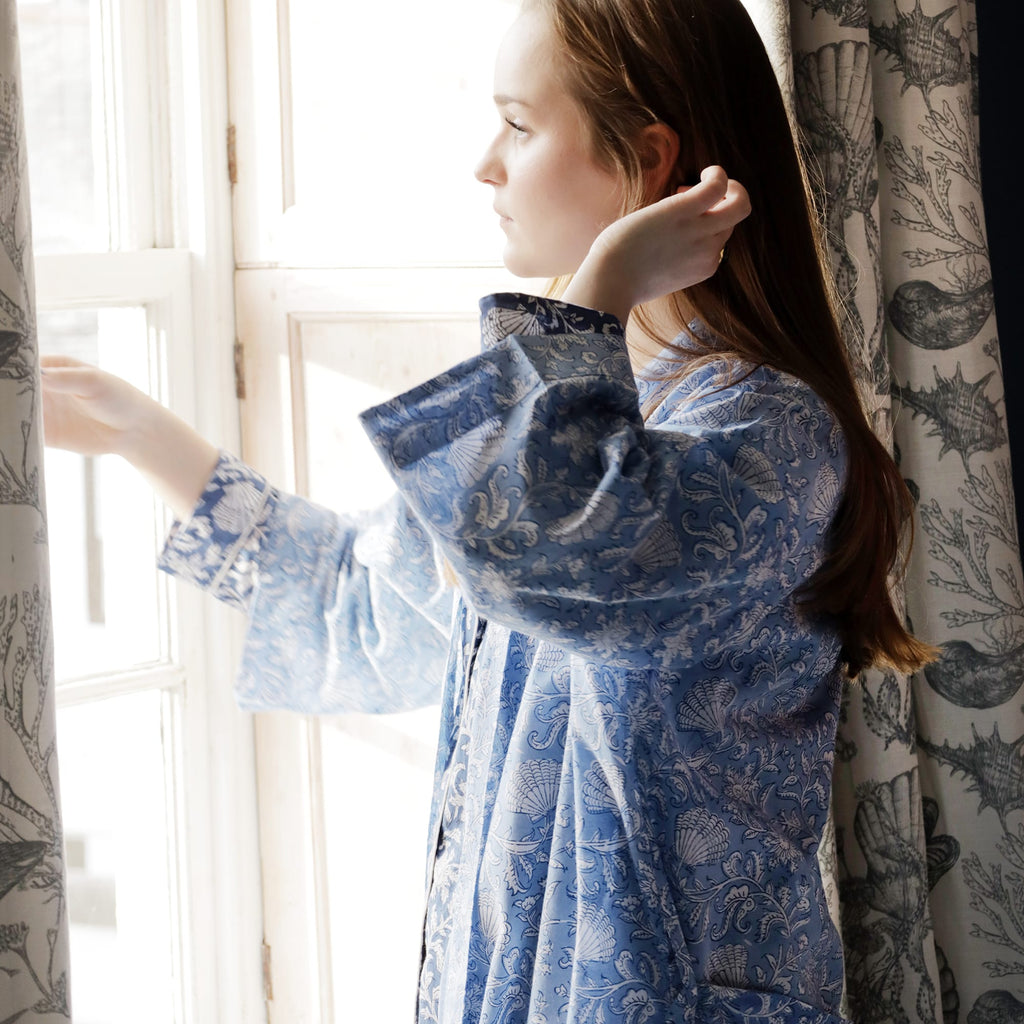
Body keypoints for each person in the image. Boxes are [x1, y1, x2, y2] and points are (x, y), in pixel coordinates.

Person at [42, 0, 936, 1021]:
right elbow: (365, 607)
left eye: (517, 123)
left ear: (649, 162)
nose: (484, 164)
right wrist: (134, 430)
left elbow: (553, 553)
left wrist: (593, 289)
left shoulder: (764, 433)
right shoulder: (562, 421)